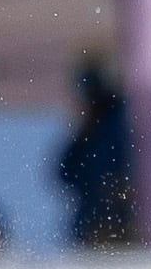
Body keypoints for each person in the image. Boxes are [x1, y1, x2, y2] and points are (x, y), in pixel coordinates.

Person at [54, 55, 140, 248]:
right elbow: (64, 172)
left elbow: (116, 170)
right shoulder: (92, 129)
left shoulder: (117, 122)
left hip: (118, 222)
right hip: (95, 223)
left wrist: (115, 188)